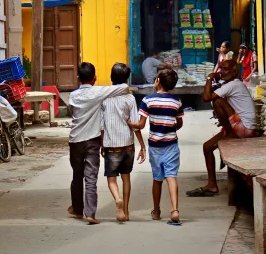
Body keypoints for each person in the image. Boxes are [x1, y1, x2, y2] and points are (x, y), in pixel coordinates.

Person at [68, 62, 129, 225]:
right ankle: (90, 213)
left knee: (77, 175)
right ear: (94, 78)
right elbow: (124, 88)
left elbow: (71, 110)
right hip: (92, 141)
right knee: (91, 177)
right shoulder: (99, 92)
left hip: (75, 140)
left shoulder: (73, 95)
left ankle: (77, 208)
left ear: (78, 78)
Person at [186, 60, 257, 197]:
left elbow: (207, 97)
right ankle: (212, 184)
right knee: (207, 147)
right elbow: (207, 93)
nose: (223, 72)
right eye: (221, 69)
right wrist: (212, 82)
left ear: (235, 71)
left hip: (244, 128)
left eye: (226, 69)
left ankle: (229, 134)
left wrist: (209, 78)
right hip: (240, 126)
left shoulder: (234, 84)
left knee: (218, 101)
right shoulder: (231, 85)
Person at [128, 69, 184, 224]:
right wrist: (169, 128)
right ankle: (174, 210)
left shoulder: (148, 100)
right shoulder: (176, 101)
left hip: (155, 146)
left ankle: (157, 211)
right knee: (171, 177)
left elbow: (140, 124)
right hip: (171, 144)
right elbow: (179, 123)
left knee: (157, 179)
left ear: (157, 81)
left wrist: (129, 122)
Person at [101, 63, 146, 223]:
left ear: (111, 78)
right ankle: (126, 211)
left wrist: (102, 144)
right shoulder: (130, 98)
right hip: (127, 144)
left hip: (111, 144)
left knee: (111, 178)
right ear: (126, 79)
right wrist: (142, 145)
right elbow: (135, 124)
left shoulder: (105, 99)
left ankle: (117, 199)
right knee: (126, 177)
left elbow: (101, 126)